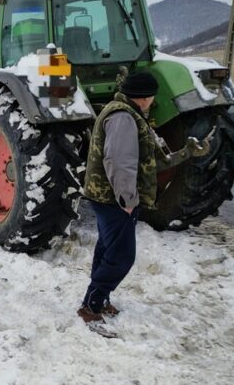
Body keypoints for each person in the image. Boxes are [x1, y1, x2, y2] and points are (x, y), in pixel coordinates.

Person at [78, 72, 209, 325]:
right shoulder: (123, 118)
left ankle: (99, 300)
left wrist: (186, 152)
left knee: (108, 248)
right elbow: (119, 162)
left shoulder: (127, 114)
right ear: (145, 97)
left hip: (106, 196)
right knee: (122, 256)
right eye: (152, 96)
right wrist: (127, 200)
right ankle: (90, 307)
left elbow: (147, 160)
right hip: (113, 199)